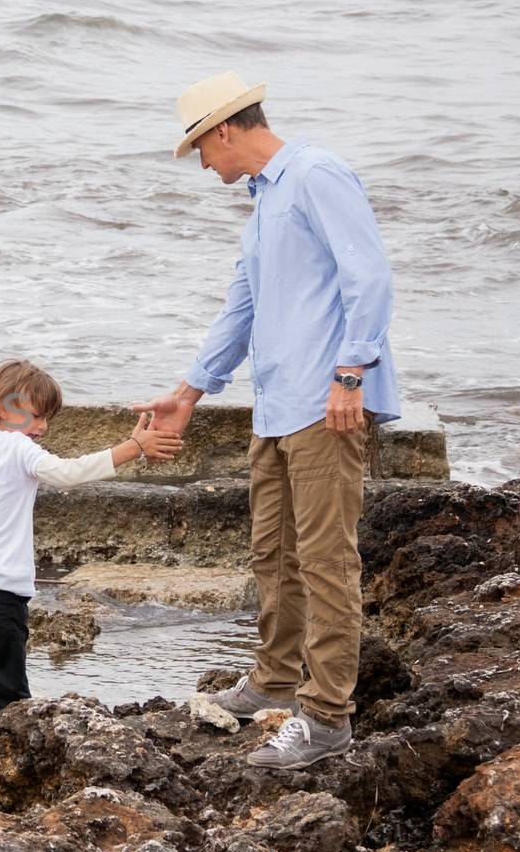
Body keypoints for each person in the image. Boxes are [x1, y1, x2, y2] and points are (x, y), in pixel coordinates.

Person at [135, 72, 400, 770]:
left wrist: (351, 372)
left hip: (324, 402)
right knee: (272, 553)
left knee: (325, 559)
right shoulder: (264, 207)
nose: (202, 163)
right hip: (276, 406)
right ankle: (277, 677)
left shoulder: (316, 175)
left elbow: (368, 276)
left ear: (225, 130)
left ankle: (326, 717)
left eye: (200, 147)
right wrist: (189, 393)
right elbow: (241, 309)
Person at [0, 360, 181, 793]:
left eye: (47, 417)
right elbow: (68, 475)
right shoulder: (16, 449)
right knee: (10, 696)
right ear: (2, 406)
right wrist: (134, 446)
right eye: (36, 415)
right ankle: (7, 784)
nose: (43, 427)